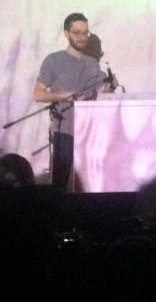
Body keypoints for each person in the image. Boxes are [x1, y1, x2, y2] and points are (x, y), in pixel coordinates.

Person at [33, 12, 116, 190]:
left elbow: (102, 95)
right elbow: (38, 94)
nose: (81, 37)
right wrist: (61, 95)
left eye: (85, 32)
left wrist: (111, 87)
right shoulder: (53, 60)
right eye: (77, 32)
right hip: (64, 132)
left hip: (89, 135)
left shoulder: (93, 64)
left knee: (87, 185)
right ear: (66, 33)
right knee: (60, 185)